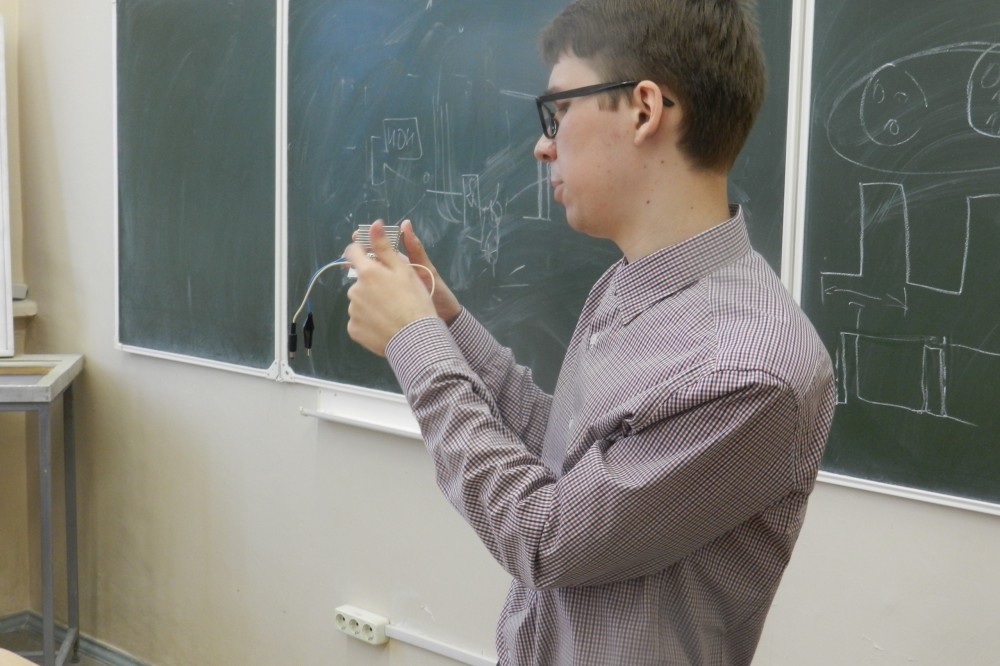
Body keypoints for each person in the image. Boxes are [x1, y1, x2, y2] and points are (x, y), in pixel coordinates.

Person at [343, 0, 836, 663]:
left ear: (644, 110)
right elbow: (562, 459)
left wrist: (414, 343)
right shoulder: (628, 285)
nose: (542, 144)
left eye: (559, 110)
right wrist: (445, 323)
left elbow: (544, 538)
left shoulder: (748, 372)